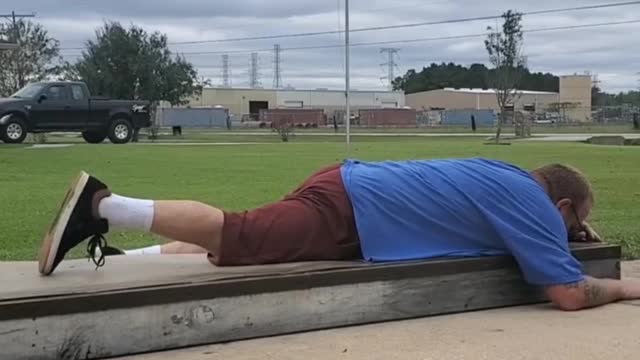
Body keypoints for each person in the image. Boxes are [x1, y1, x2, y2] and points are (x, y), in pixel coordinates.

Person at [38, 157, 640, 311]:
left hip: (355, 193)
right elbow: (566, 294)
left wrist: (570, 242)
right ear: (560, 204)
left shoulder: (509, 179)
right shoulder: (534, 207)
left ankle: (129, 253)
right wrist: (626, 289)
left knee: (246, 243)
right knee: (240, 234)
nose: (573, 234)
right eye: (575, 223)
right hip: (356, 210)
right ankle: (105, 205)